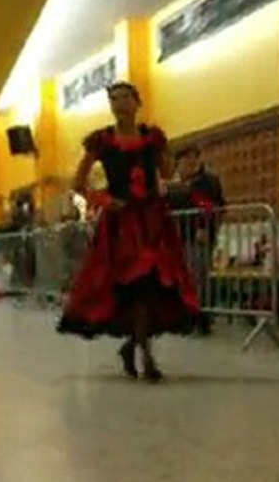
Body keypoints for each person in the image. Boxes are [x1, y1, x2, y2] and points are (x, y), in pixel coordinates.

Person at [57, 82, 199, 382]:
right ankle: (144, 355)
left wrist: (168, 157)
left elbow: (165, 172)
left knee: (150, 284)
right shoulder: (102, 141)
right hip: (121, 224)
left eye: (125, 98)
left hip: (152, 220)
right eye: (113, 99)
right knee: (133, 286)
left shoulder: (151, 138)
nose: (119, 104)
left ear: (137, 102)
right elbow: (78, 182)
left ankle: (137, 349)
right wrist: (104, 200)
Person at [174, 145, 226, 335]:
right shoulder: (179, 182)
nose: (189, 162)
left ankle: (201, 319)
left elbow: (210, 206)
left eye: (192, 157)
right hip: (181, 236)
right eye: (185, 158)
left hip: (198, 236)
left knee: (198, 278)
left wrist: (204, 227)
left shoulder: (207, 181)